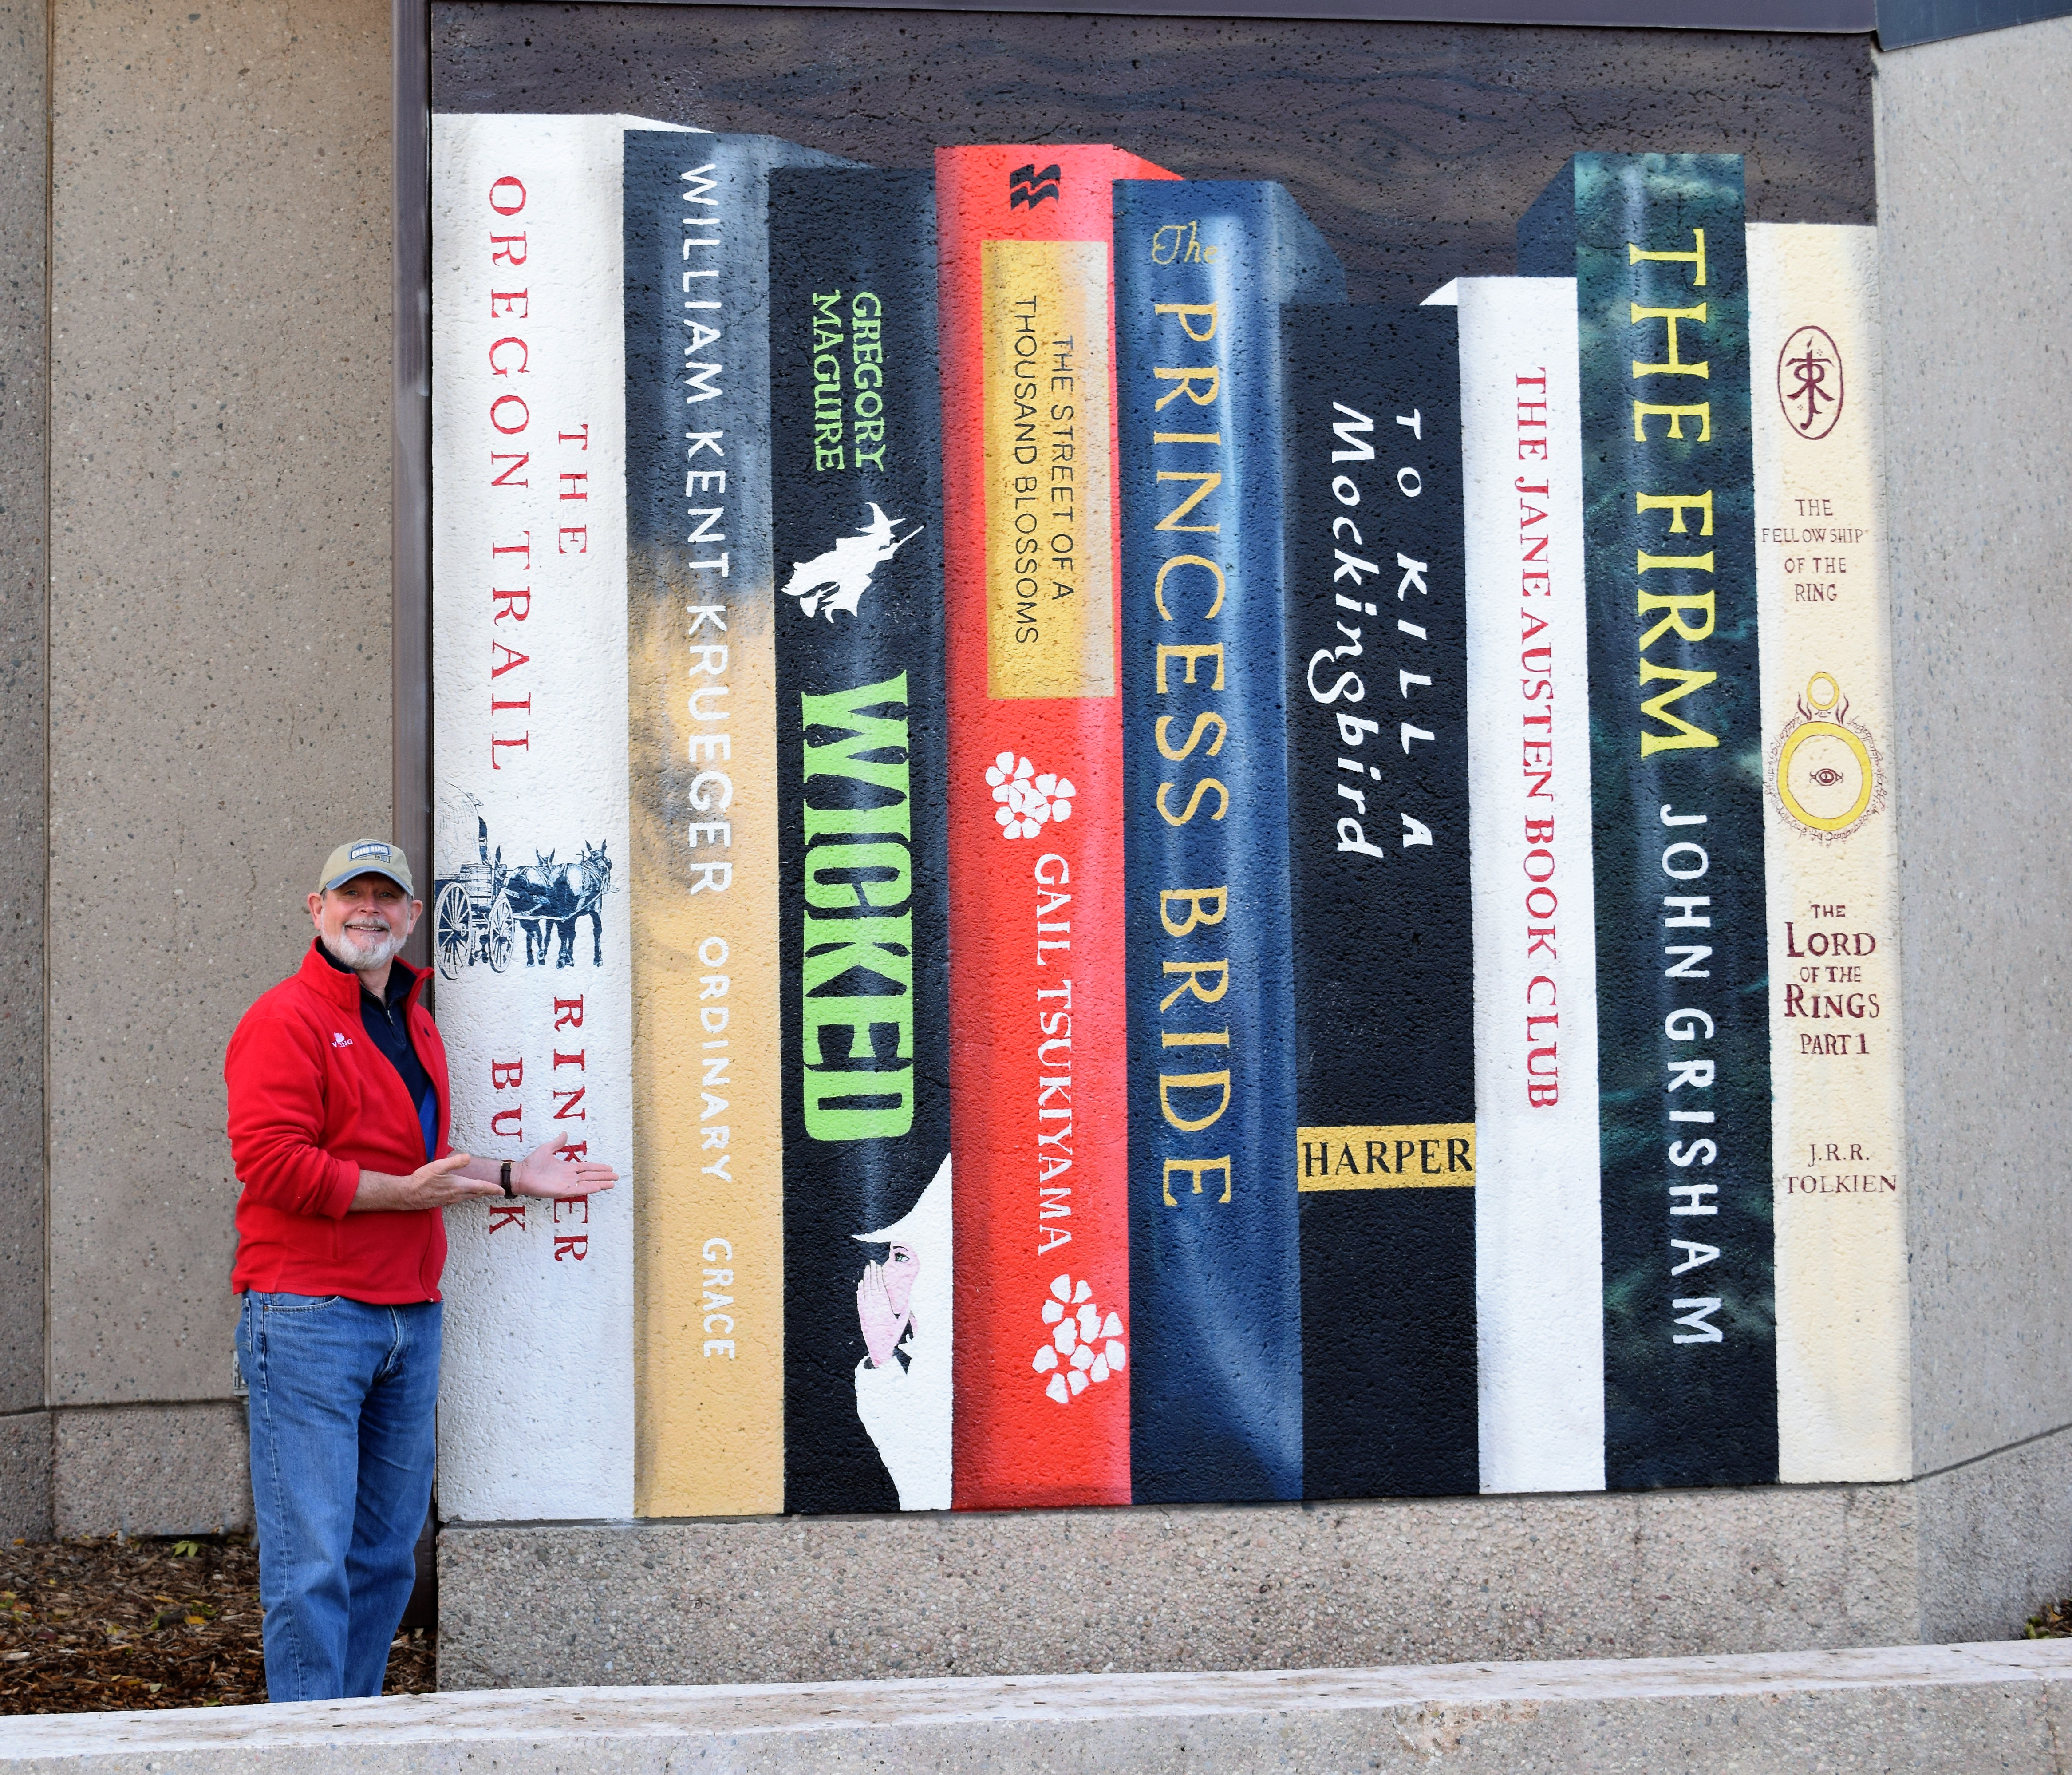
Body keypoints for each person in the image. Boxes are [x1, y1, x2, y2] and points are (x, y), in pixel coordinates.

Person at [224, 840, 616, 1702]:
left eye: (386, 898)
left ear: (410, 916)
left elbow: (415, 1169)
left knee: (382, 1558)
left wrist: (513, 1176)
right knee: (312, 1561)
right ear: (314, 906)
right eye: (350, 895)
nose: (369, 910)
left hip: (408, 1316)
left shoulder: (412, 1016)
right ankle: (308, 1750)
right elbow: (272, 1163)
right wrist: (401, 1194)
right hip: (308, 1318)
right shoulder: (284, 1019)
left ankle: (352, 1733)